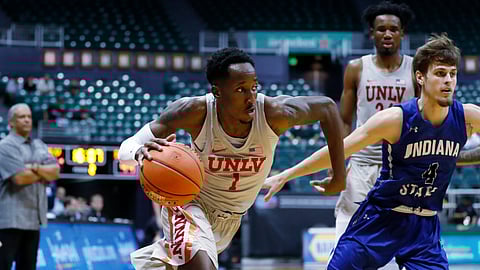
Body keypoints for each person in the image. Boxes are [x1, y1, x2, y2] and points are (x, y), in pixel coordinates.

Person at [119, 47, 346, 270]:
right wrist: (139, 153)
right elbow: (125, 150)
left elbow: (327, 108)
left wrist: (339, 175)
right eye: (240, 90)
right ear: (217, 92)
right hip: (190, 204)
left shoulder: (273, 113)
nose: (251, 97)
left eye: (254, 87)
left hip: (231, 219)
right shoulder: (193, 111)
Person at [265, 34, 476, 269]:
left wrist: (459, 157)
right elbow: (339, 150)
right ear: (420, 77)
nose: (448, 80)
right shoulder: (396, 119)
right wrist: (288, 174)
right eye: (440, 73)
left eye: (452, 74)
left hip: (424, 226)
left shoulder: (467, 115)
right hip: (382, 218)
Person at [332, 0, 417, 244]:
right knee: (347, 227)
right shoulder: (356, 68)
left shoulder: (415, 70)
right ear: (372, 33)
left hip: (400, 165)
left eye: (393, 29)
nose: (387, 34)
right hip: (362, 162)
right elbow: (345, 120)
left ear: (402, 33)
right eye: (381, 29)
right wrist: (338, 160)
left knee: (403, 236)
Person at [0, 103, 60, 270]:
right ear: (11, 122)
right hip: (8, 221)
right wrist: (42, 171)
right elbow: (19, 178)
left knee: (28, 267)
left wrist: (33, 167)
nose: (27, 120)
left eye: (29, 116)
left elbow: (55, 172)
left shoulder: (38, 144)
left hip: (33, 221)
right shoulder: (5, 146)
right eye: (21, 117)